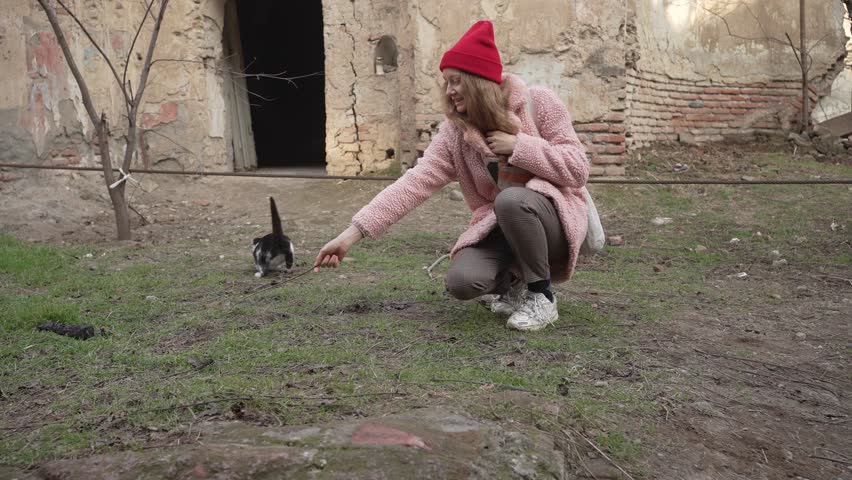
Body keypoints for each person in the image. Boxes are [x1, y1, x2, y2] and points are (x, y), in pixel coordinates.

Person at [314, 20, 590, 331]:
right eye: (446, 82)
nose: (450, 90)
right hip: (502, 224)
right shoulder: (456, 134)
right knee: (463, 282)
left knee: (513, 201)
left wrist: (520, 145)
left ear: (479, 80)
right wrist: (349, 236)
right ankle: (515, 284)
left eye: (456, 81)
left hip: (553, 219)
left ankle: (542, 296)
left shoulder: (538, 102)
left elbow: (578, 169)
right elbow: (413, 184)